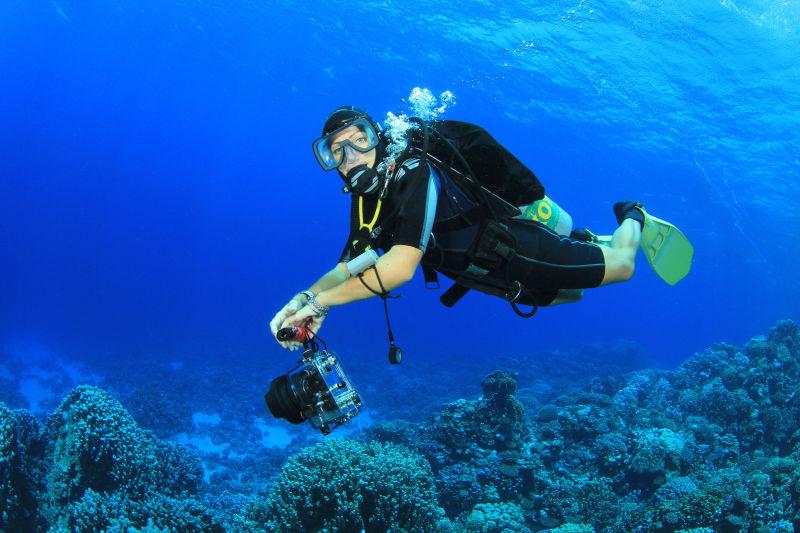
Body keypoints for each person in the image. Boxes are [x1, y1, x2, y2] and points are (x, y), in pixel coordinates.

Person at [269, 106, 692, 350]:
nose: (350, 155)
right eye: (335, 151)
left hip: (511, 247)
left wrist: (323, 305)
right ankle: (582, 242)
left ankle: (633, 215)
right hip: (485, 270)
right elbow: (349, 265)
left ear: (377, 137)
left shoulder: (414, 172)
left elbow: (399, 268)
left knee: (621, 267)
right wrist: (303, 299)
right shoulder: (368, 200)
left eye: (358, 139)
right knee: (567, 296)